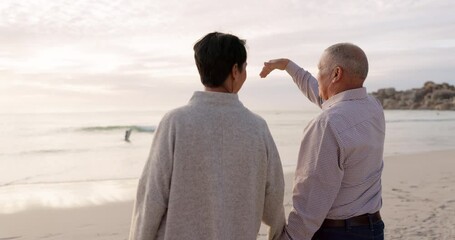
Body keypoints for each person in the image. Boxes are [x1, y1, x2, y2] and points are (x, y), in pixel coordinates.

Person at [128, 32, 286, 240]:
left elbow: (151, 197)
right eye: (245, 67)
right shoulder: (257, 128)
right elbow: (273, 198)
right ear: (235, 70)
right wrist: (277, 233)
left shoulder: (175, 122)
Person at [260, 43, 385, 240]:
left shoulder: (327, 124)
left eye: (319, 70)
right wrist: (289, 67)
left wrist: (289, 237)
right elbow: (324, 95)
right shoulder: (373, 107)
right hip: (373, 229)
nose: (317, 76)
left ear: (336, 74)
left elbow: (311, 201)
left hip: (336, 233)